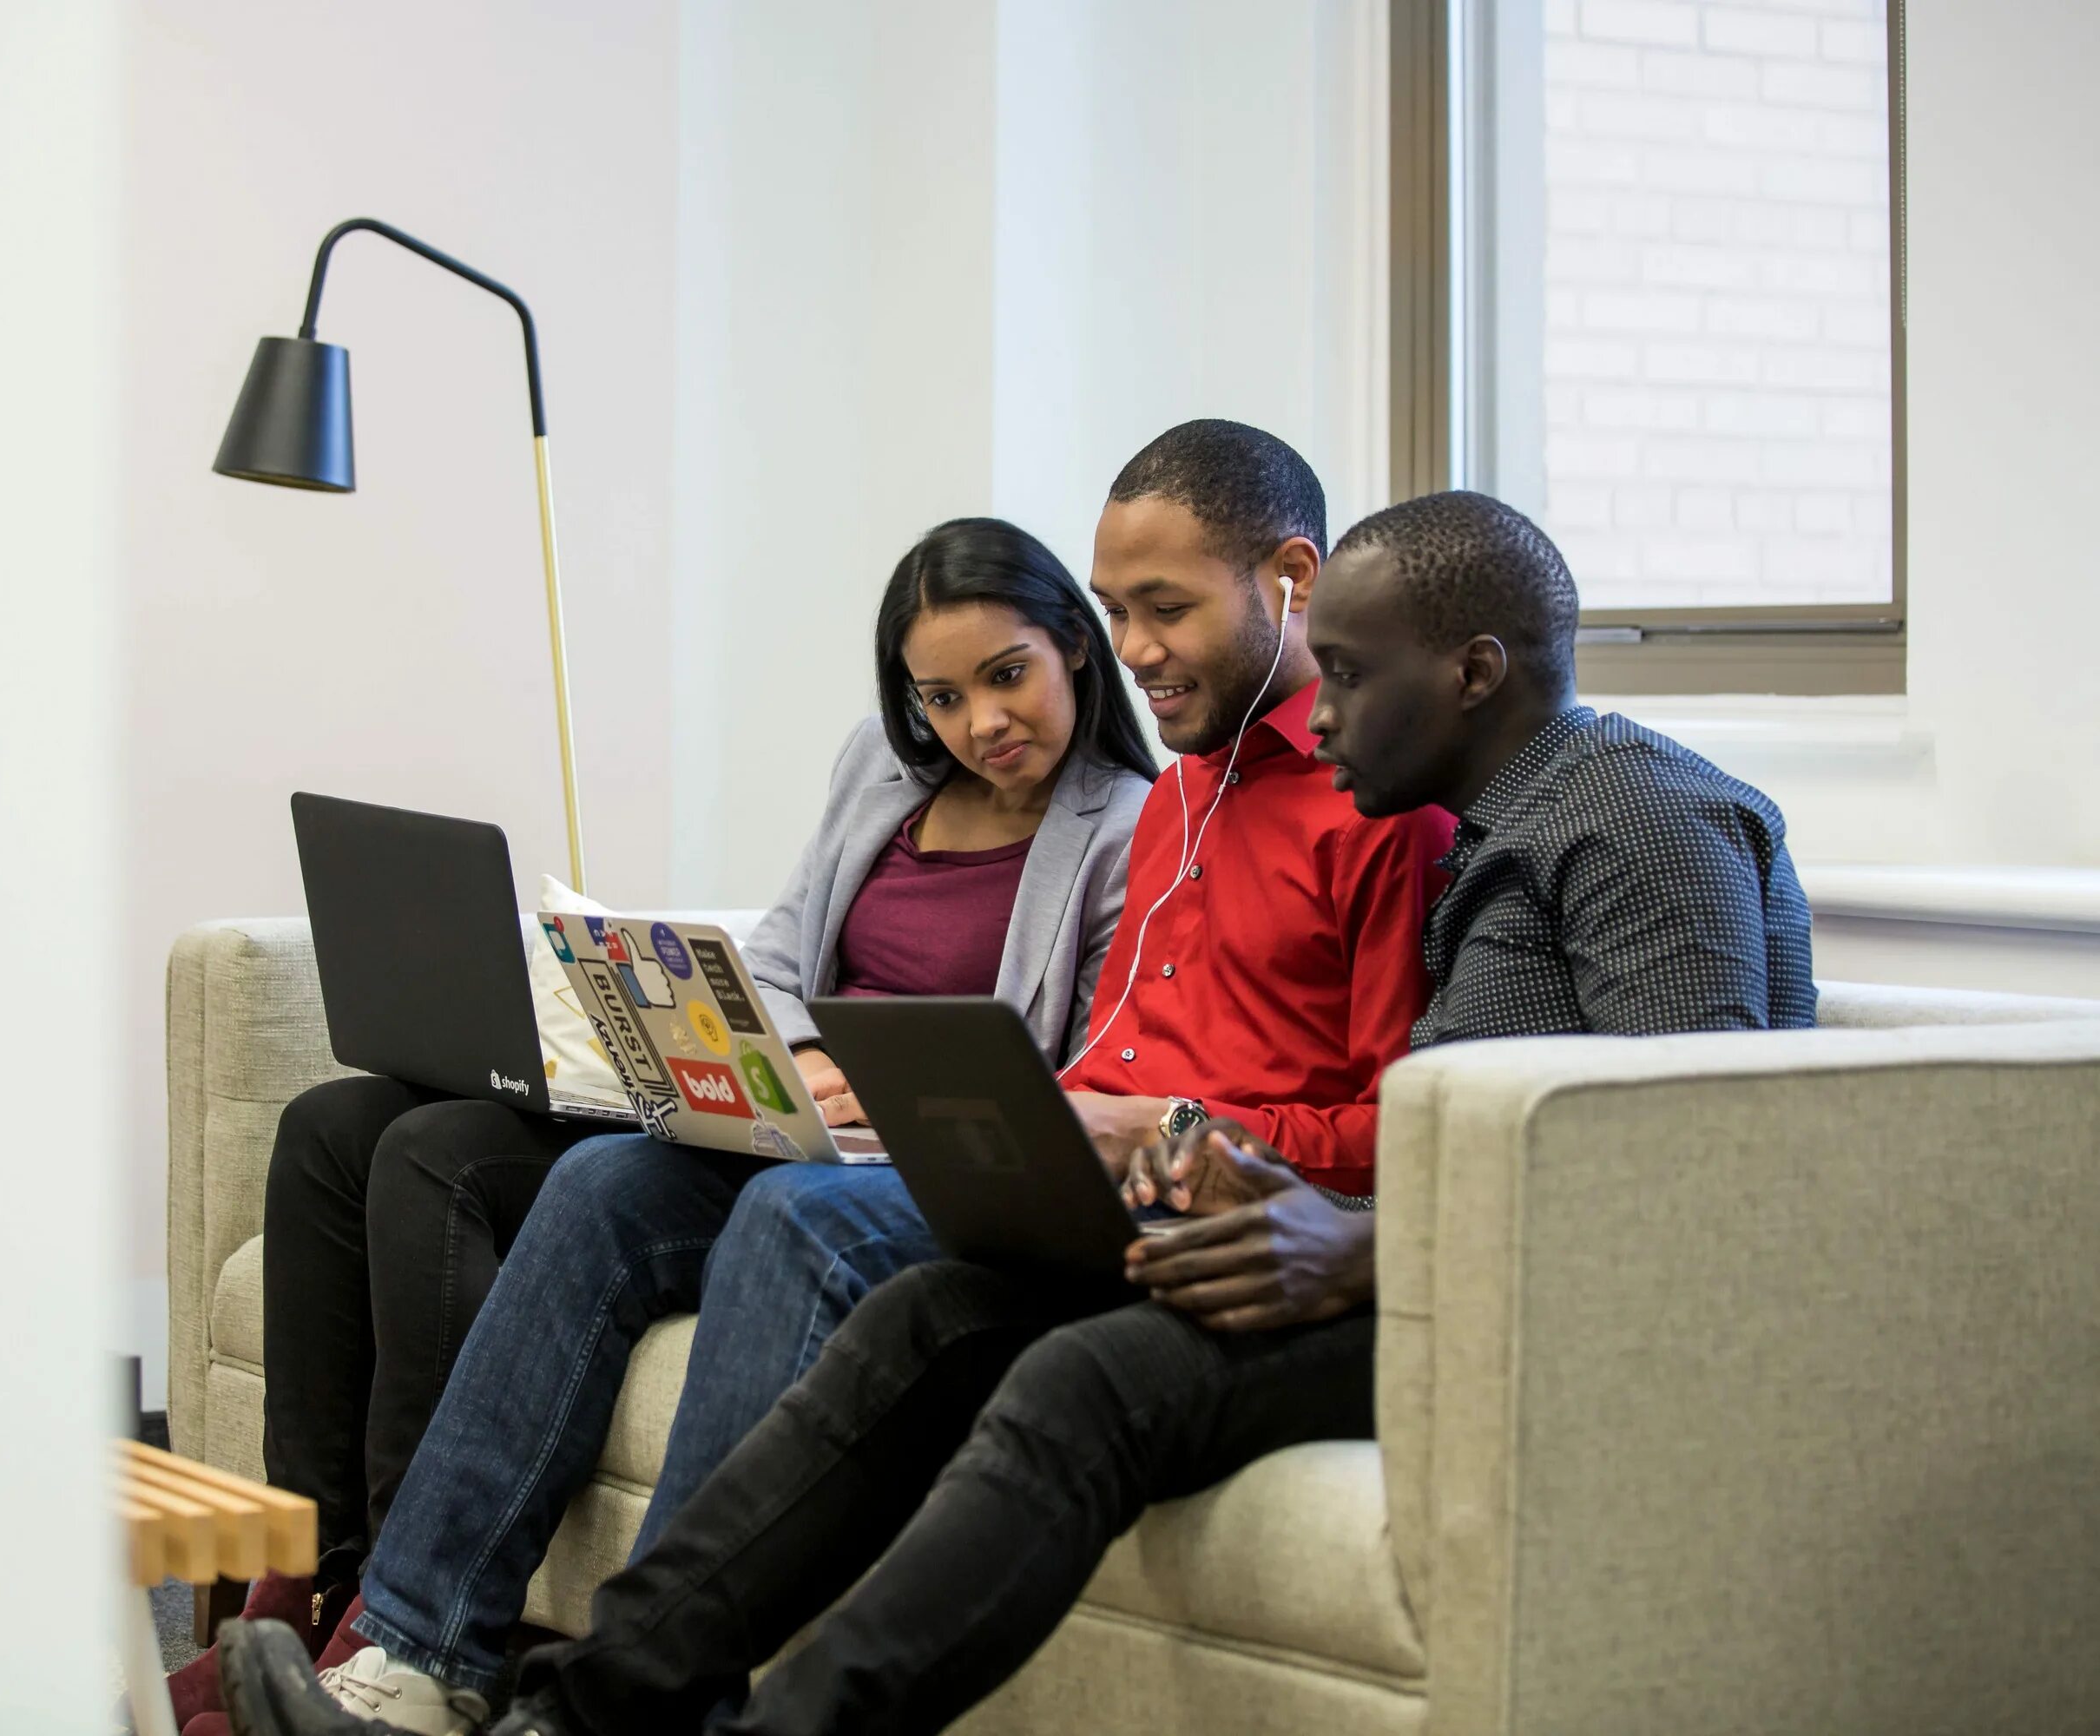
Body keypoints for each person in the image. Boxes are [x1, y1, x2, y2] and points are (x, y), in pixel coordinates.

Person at [211, 488, 1818, 1736]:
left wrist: (1353, 1245)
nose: (1317, 717)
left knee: (1071, 1386)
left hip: (1441, 1296)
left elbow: (1667, 1177)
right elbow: (1426, 1105)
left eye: (1342, 673)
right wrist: (1117, 1132)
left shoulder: (1639, 821)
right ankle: (567, 1692)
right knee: (918, 1320)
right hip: (1285, 1223)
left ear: (1471, 670)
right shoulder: (1460, 820)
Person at [165, 513, 1155, 1732]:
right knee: (598, 1185)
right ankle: (420, 1660)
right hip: (805, 1120)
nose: (979, 724)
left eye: (1006, 677)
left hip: (915, 1163)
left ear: (1073, 644)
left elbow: (1075, 1065)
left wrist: (883, 1092)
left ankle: (609, 1685)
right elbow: (787, 957)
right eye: (941, 697)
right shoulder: (881, 774)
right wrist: (791, 1050)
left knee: (615, 1185)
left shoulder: (1126, 828)